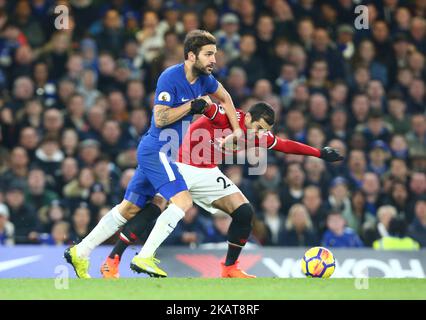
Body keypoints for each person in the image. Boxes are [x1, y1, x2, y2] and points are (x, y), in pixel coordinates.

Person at [64, 29, 242, 279]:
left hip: (162, 153)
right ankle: (145, 257)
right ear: (191, 56)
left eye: (215, 54)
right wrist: (191, 106)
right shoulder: (170, 77)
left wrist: (235, 131)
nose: (214, 60)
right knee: (183, 201)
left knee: (127, 209)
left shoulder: (204, 79)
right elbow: (160, 118)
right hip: (157, 149)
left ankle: (80, 251)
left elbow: (226, 98)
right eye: (209, 54)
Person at [100, 102, 343, 278]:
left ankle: (229, 268)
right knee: (155, 207)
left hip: (207, 171)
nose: (259, 134)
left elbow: (286, 145)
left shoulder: (258, 135)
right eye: (257, 127)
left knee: (244, 212)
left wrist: (319, 152)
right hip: (180, 164)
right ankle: (113, 260)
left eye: (263, 130)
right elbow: (207, 106)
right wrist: (197, 101)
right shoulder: (227, 116)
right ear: (247, 117)